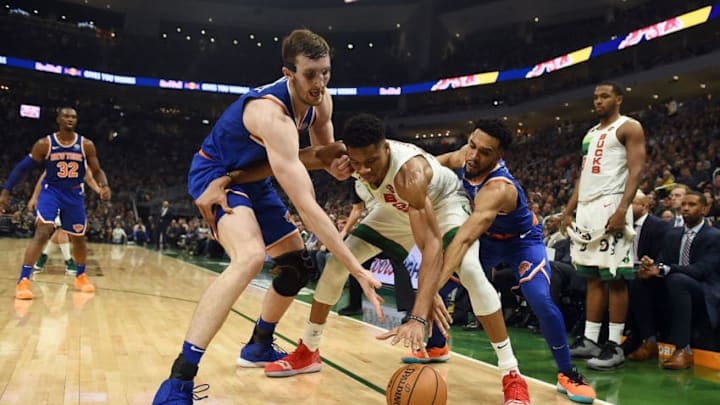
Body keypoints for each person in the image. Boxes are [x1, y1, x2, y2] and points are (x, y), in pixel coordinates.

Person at [151, 29, 383, 404]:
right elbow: (306, 205)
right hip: (216, 177)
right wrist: (356, 268)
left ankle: (259, 345)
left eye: (326, 73)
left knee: (296, 266)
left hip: (254, 178)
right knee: (250, 257)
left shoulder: (321, 103)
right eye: (311, 75)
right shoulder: (270, 114)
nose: (320, 83)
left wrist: (336, 164)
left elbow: (319, 154)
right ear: (289, 73)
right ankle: (178, 381)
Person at [264, 113, 531, 405]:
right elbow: (289, 158)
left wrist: (419, 313)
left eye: (371, 162)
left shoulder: (409, 174)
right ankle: (309, 350)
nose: (363, 170)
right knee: (337, 263)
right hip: (396, 209)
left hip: (444, 206)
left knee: (469, 270)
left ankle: (511, 373)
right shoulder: (347, 155)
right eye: (357, 163)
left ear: (386, 150)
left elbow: (430, 246)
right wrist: (231, 172)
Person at [435, 119, 595, 403]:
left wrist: (432, 287)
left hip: (522, 241)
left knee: (541, 302)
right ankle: (437, 344)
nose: (473, 155)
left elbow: (462, 240)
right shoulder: (465, 156)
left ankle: (568, 373)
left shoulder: (499, 188)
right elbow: (440, 162)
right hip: (489, 240)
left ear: (499, 156)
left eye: (484, 152)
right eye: (472, 145)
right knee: (446, 286)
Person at [562, 81, 646, 371]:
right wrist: (568, 210)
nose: (598, 101)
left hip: (612, 204)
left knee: (615, 276)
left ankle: (614, 344)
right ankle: (590, 339)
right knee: (593, 276)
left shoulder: (629, 127)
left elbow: (637, 169)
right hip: (587, 208)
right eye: (595, 97)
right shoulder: (590, 134)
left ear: (619, 99)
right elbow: (583, 175)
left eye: (605, 96)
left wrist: (623, 208)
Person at [0, 107, 111, 299]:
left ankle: (81, 275)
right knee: (43, 231)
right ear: (58, 119)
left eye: (74, 117)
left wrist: (104, 185)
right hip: (51, 192)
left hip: (74, 194)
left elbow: (97, 170)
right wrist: (6, 190)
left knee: (78, 237)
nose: (70, 119)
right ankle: (23, 280)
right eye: (66, 116)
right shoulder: (44, 144)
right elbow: (22, 168)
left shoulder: (86, 144)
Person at [639, 191, 720, 369]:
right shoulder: (673, 234)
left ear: (705, 209)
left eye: (692, 205)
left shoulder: (715, 236)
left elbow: (701, 271)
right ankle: (648, 340)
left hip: (704, 291)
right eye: (683, 205)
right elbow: (663, 261)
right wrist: (651, 266)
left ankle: (684, 350)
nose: (685, 208)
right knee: (640, 278)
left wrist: (664, 269)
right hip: (676, 284)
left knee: (677, 279)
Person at [624, 190, 671, 361]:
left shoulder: (660, 226)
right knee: (606, 280)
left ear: (644, 206)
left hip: (651, 274)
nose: (626, 207)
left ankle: (647, 339)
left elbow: (663, 256)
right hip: (627, 270)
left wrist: (650, 264)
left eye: (631, 203)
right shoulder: (622, 225)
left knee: (637, 282)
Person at [29, 169, 102, 274]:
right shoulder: (57, 158)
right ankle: (68, 262)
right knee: (62, 230)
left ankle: (42, 259)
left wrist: (99, 190)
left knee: (60, 231)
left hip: (72, 199)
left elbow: (89, 178)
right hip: (56, 198)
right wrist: (34, 197)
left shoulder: (81, 161)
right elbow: (43, 177)